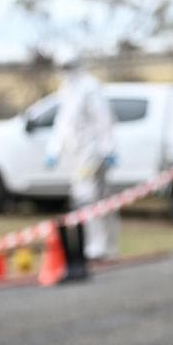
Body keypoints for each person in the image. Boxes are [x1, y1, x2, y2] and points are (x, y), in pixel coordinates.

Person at [44, 55, 118, 281]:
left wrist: (108, 148)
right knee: (88, 200)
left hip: (92, 152)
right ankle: (95, 245)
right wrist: (54, 150)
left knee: (90, 198)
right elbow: (62, 124)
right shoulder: (66, 90)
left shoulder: (89, 87)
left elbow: (103, 120)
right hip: (76, 154)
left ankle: (99, 246)